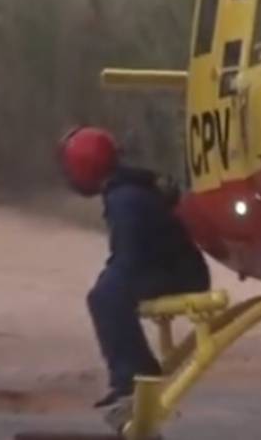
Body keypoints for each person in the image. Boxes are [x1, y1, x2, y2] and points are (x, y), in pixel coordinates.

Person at [58, 126, 211, 411]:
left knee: (105, 297)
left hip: (178, 274)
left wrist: (111, 282)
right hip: (177, 268)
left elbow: (128, 256)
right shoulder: (126, 189)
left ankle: (134, 378)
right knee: (109, 291)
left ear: (84, 167)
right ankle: (135, 376)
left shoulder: (124, 198)